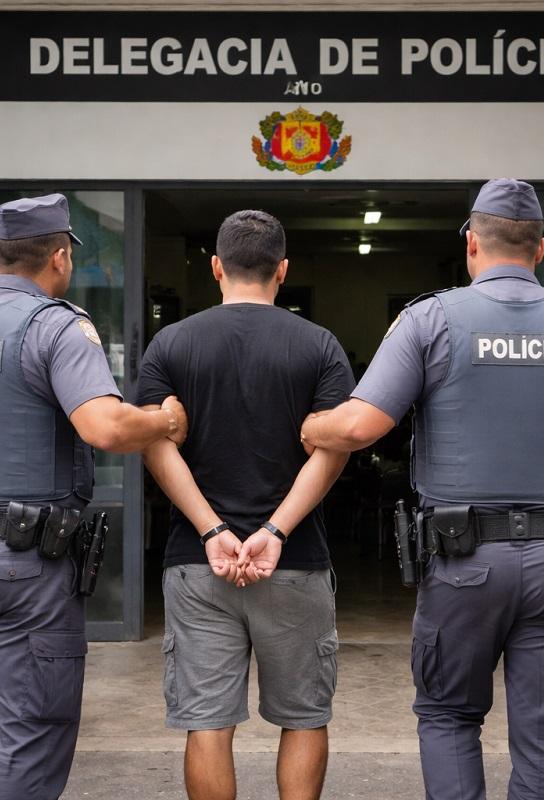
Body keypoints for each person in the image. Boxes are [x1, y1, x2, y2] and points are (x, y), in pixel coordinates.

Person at [300, 179, 544, 800]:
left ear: (471, 243)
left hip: (462, 562)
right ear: (541, 248)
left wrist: (312, 424)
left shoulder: (429, 320)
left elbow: (359, 427)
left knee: (447, 716)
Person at [0, 194, 188, 800]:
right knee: (32, 729)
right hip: (27, 565)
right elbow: (105, 428)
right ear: (60, 257)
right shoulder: (57, 326)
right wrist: (163, 421)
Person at [136, 210, 355, 800]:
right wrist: (277, 530)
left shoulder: (171, 343)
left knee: (207, 721)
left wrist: (211, 531)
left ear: (215, 268)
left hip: (198, 562)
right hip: (295, 560)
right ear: (283, 270)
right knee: (304, 716)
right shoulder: (320, 346)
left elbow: (156, 444)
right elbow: (332, 451)